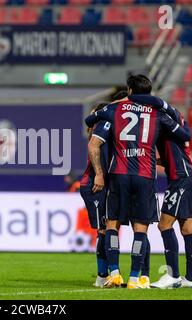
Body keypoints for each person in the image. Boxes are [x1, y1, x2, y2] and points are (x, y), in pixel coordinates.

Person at [84, 74, 191, 289]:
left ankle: (114, 273)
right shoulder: (158, 113)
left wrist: (119, 103)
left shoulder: (115, 110)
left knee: (112, 224)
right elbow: (184, 134)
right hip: (145, 175)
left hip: (119, 174)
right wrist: (164, 106)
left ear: (130, 91)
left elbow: (89, 121)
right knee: (140, 229)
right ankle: (135, 278)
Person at [128, 94, 192, 289]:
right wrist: (162, 161)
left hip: (181, 179)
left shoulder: (166, 117)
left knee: (164, 225)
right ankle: (191, 278)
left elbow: (159, 103)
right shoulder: (175, 120)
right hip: (188, 176)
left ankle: (173, 275)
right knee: (188, 228)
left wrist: (131, 97)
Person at [80, 102, 112, 287]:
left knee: (109, 228)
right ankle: (102, 275)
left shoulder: (104, 130)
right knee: (103, 229)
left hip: (104, 184)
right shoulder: (99, 131)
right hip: (93, 184)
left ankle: (109, 271)